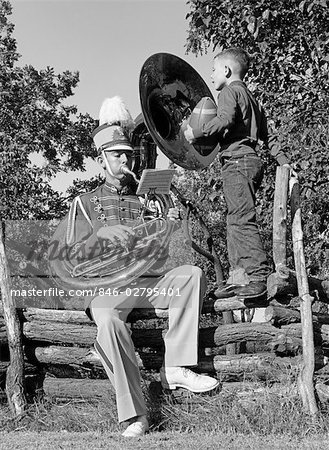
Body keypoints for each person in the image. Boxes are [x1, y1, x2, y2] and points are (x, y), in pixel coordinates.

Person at [58, 97, 219, 438]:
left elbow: (160, 254)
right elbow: (66, 256)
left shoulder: (147, 198)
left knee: (191, 275)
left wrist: (169, 223)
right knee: (109, 324)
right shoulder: (83, 203)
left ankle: (176, 366)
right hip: (107, 288)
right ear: (102, 161)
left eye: (128, 153)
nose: (125, 159)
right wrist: (100, 235)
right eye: (117, 154)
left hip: (146, 282)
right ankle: (135, 415)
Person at [184, 47, 293, 300]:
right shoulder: (252, 99)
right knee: (235, 218)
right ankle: (238, 277)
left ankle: (257, 275)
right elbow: (270, 136)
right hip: (250, 161)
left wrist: (196, 133)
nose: (210, 76)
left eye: (213, 69)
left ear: (226, 70)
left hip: (237, 161)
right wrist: (283, 161)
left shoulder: (229, 92)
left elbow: (224, 119)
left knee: (241, 218)